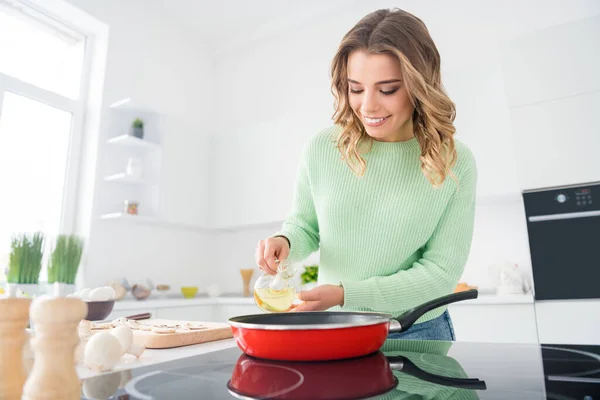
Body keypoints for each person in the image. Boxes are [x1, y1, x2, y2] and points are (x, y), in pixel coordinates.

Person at [255, 8, 477, 341]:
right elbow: (305, 226)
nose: (368, 107)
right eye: (355, 89)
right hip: (335, 326)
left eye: (387, 90)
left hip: (414, 329)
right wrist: (285, 242)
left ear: (421, 85)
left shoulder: (455, 162)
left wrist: (347, 294)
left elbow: (440, 275)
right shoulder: (321, 148)